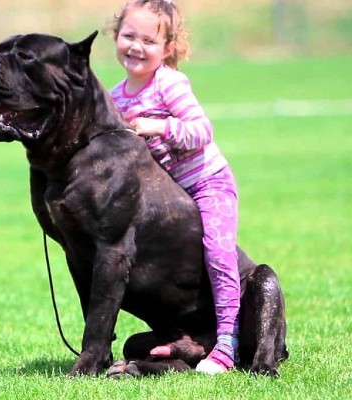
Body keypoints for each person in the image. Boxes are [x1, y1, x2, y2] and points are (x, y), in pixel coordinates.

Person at [107, 0, 241, 375]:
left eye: (148, 40)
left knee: (217, 253)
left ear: (168, 48)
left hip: (207, 183)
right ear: (115, 36)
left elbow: (202, 131)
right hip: (170, 202)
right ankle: (179, 338)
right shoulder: (116, 98)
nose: (136, 46)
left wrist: (159, 126)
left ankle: (228, 342)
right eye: (128, 35)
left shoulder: (169, 82)